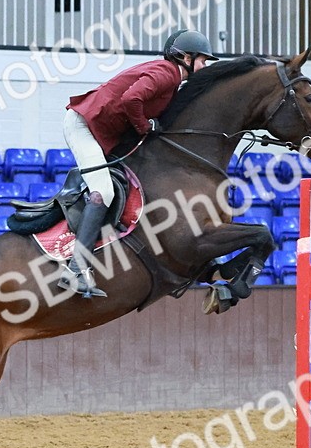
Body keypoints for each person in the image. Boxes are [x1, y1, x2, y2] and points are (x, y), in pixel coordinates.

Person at [58, 29, 218, 298]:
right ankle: (75, 269)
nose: (204, 66)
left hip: (103, 132)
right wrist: (145, 126)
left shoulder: (172, 81)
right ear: (186, 58)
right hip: (83, 126)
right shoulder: (167, 72)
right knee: (103, 192)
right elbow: (131, 98)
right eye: (202, 60)